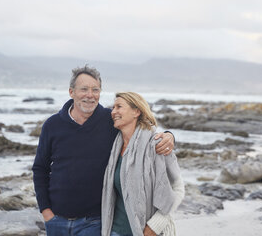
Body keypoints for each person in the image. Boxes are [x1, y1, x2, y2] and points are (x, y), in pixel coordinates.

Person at [32, 66, 175, 236]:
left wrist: (168, 135)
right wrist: (46, 212)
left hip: (94, 221)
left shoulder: (111, 120)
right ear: (71, 92)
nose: (90, 95)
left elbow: (142, 129)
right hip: (56, 221)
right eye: (84, 89)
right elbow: (40, 168)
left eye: (95, 90)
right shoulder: (52, 125)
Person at [102, 92, 184, 236]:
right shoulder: (114, 145)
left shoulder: (157, 144)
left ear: (136, 111)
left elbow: (178, 189)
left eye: (119, 106)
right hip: (115, 231)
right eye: (113, 107)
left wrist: (154, 227)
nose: (113, 111)